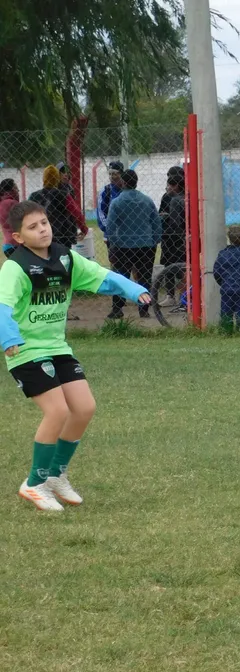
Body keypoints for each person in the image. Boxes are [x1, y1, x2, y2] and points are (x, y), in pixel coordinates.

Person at [0, 200, 150, 511]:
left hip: (57, 349)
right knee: (57, 411)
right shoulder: (14, 268)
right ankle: (34, 483)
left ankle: (56, 475)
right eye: (32, 227)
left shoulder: (65, 258)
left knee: (83, 408)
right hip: (25, 352)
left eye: (44, 222)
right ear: (17, 237)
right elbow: (2, 307)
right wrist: (9, 338)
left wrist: (133, 289)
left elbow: (102, 276)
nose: (42, 229)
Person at [105, 170, 161, 320]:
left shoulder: (117, 202)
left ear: (123, 182)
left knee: (121, 277)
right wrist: (154, 241)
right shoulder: (147, 200)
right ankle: (144, 309)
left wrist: (114, 244)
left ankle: (117, 308)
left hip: (123, 245)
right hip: (145, 245)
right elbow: (156, 223)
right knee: (144, 277)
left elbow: (110, 227)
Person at [29, 166, 84, 250]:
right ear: (57, 178)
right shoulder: (63, 195)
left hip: (41, 234)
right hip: (62, 235)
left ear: (44, 179)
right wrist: (84, 229)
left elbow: (26, 214)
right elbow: (76, 212)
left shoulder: (34, 196)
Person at [97, 161, 125, 237]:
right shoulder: (105, 191)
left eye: (115, 173)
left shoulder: (128, 190)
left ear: (121, 174)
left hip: (127, 234)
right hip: (112, 235)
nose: (112, 177)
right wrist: (110, 230)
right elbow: (101, 214)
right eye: (110, 174)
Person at [0, 180, 20, 256]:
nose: (18, 190)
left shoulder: (2, 203)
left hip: (7, 245)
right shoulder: (12, 203)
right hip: (16, 244)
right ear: (11, 189)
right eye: (16, 187)